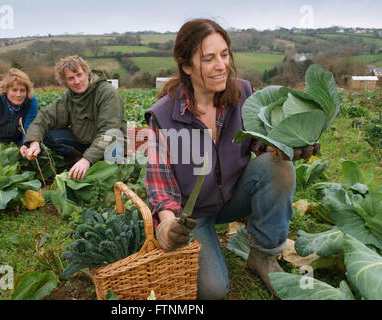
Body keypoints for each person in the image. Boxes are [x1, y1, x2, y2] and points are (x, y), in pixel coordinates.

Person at [144, 19, 319, 299]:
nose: (222, 65)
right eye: (209, 58)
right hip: (193, 215)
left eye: (224, 54)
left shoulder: (243, 94)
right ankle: (206, 240)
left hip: (234, 195)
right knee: (213, 291)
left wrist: (291, 143)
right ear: (187, 66)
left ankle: (262, 254)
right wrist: (166, 224)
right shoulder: (163, 117)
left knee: (280, 167)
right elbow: (159, 182)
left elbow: (264, 146)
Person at [20, 55, 127, 180]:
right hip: (85, 143)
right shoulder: (69, 97)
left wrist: (87, 159)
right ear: (65, 82)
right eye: (71, 78)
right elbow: (45, 117)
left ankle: (86, 163)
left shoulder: (107, 93)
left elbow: (109, 133)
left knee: (100, 178)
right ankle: (75, 158)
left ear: (87, 73)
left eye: (79, 75)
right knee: (48, 133)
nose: (77, 81)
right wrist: (33, 143)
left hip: (111, 147)